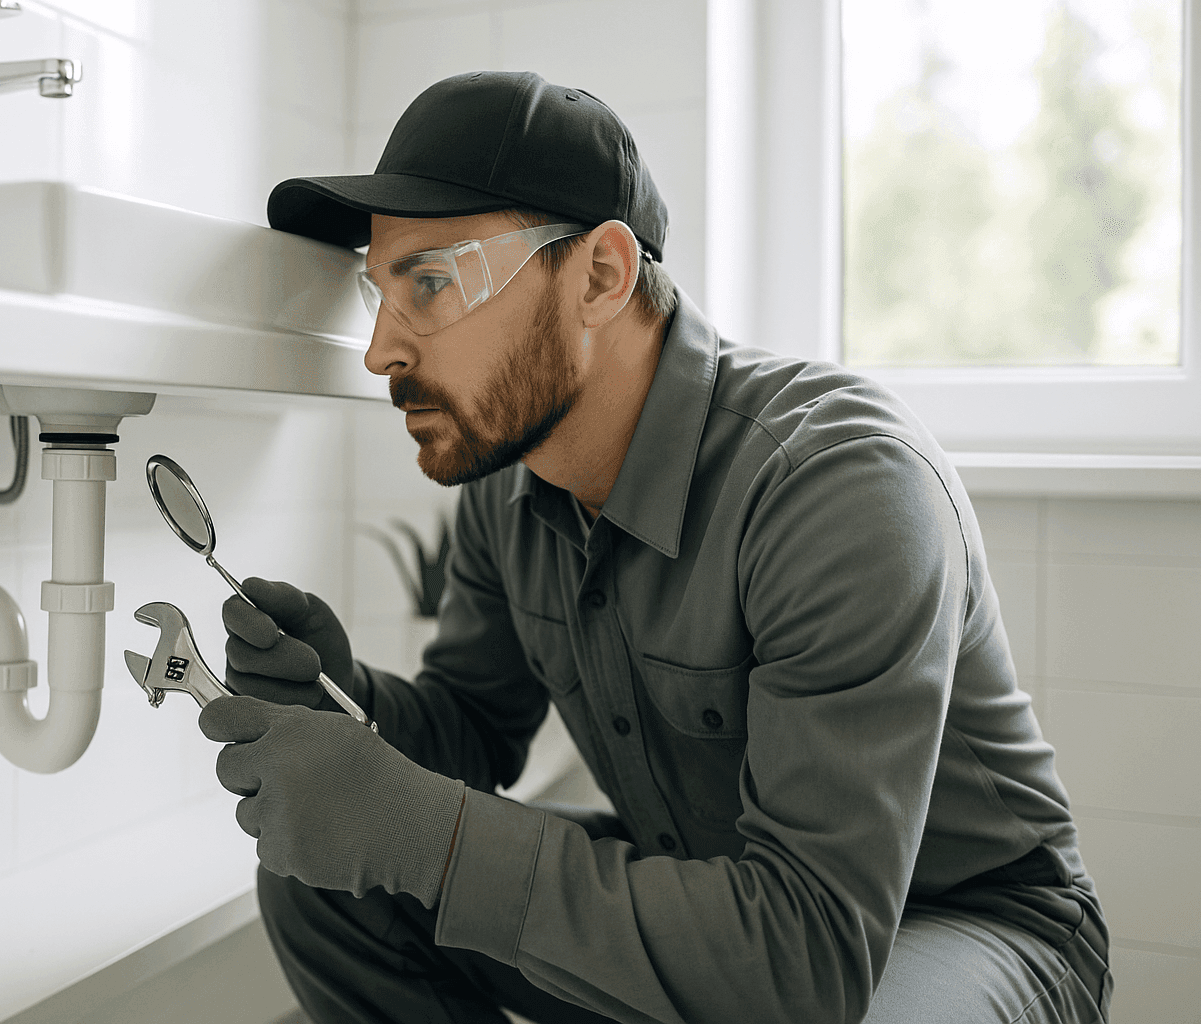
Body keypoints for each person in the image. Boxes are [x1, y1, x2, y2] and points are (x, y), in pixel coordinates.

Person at [196, 70, 1115, 1024]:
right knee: (326, 885)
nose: (381, 349)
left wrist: (431, 838)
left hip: (957, 922)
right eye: (378, 291)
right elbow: (471, 731)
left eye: (430, 283)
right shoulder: (512, 479)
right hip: (716, 885)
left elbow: (806, 967)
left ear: (600, 274)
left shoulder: (838, 484)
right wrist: (353, 703)